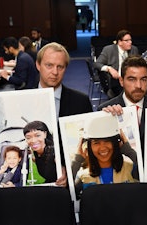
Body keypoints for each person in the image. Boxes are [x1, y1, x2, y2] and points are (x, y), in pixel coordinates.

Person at [35, 42, 93, 186]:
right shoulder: (21, 100)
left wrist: (70, 171)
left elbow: (87, 144)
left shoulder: (81, 101)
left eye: (60, 67)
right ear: (38, 65)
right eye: (49, 65)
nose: (55, 72)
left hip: (69, 182)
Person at [98, 55, 147, 155]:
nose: (138, 86)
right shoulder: (105, 111)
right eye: (132, 79)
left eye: (143, 79)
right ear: (121, 81)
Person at [73, 115, 138, 198]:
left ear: (116, 143)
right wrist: (77, 160)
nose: (103, 148)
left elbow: (145, 178)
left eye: (107, 141)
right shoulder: (82, 176)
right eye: (96, 143)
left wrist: (127, 150)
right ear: (89, 147)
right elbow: (70, 195)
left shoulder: (130, 168)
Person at [93, 29, 139, 98]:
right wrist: (109, 68)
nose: (130, 42)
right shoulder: (109, 50)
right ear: (120, 42)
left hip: (131, 79)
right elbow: (97, 64)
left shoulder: (134, 49)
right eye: (127, 41)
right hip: (115, 81)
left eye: (130, 40)